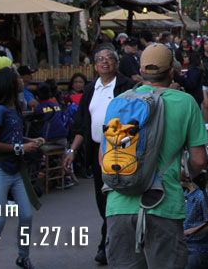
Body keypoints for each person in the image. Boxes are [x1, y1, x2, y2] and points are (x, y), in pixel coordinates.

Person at [104, 43, 208, 268]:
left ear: (141, 72)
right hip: (163, 204)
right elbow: (199, 160)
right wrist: (189, 174)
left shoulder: (119, 102)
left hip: (118, 204)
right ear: (172, 72)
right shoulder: (185, 102)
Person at [63, 44, 135, 265]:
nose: (105, 62)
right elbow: (82, 124)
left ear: (116, 63)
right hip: (96, 150)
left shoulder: (126, 86)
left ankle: (110, 243)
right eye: (100, 59)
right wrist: (73, 150)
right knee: (102, 198)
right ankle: (111, 239)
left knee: (117, 196)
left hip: (120, 149)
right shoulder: (90, 89)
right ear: (95, 66)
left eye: (109, 58)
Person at [0, 66, 44, 269]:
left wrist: (30, 140)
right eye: (17, 78)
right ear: (9, 83)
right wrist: (21, 147)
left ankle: (23, 256)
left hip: (16, 170)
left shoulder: (13, 107)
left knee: (26, 214)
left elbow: (13, 136)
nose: (21, 81)